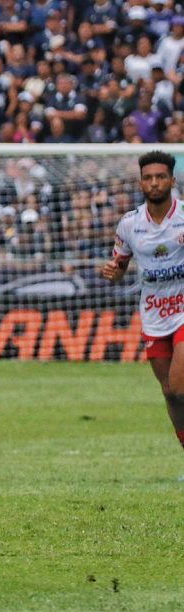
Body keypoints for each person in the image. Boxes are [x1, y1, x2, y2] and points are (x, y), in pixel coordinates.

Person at [101, 150, 184, 449]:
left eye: (161, 177)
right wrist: (113, 271)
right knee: (169, 392)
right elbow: (120, 267)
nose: (154, 183)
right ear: (140, 183)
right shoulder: (129, 224)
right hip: (154, 314)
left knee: (180, 385)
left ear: (172, 180)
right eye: (148, 178)